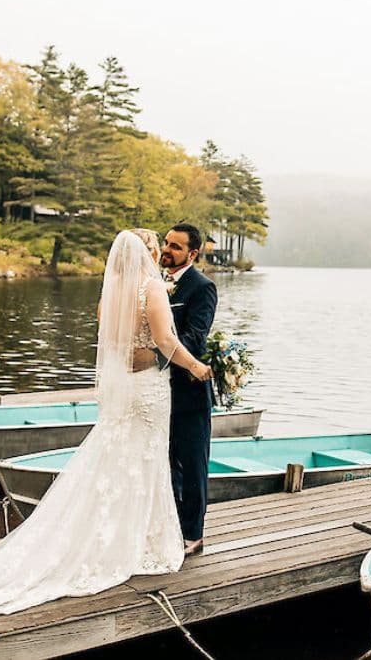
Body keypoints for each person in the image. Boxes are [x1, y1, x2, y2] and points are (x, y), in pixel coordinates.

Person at [0, 229, 213, 628]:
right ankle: (139, 541)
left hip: (128, 390)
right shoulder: (151, 287)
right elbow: (165, 339)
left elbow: (114, 342)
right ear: (148, 252)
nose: (161, 252)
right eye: (158, 246)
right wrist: (196, 366)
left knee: (120, 460)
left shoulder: (113, 294)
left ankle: (126, 537)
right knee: (143, 461)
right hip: (148, 391)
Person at [160, 223, 217, 556]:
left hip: (188, 396)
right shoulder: (153, 283)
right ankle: (167, 528)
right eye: (166, 243)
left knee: (192, 467)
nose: (167, 250)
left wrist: (154, 351)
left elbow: (195, 340)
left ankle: (193, 536)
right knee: (162, 466)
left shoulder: (202, 287)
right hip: (155, 394)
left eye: (176, 246)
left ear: (192, 254)